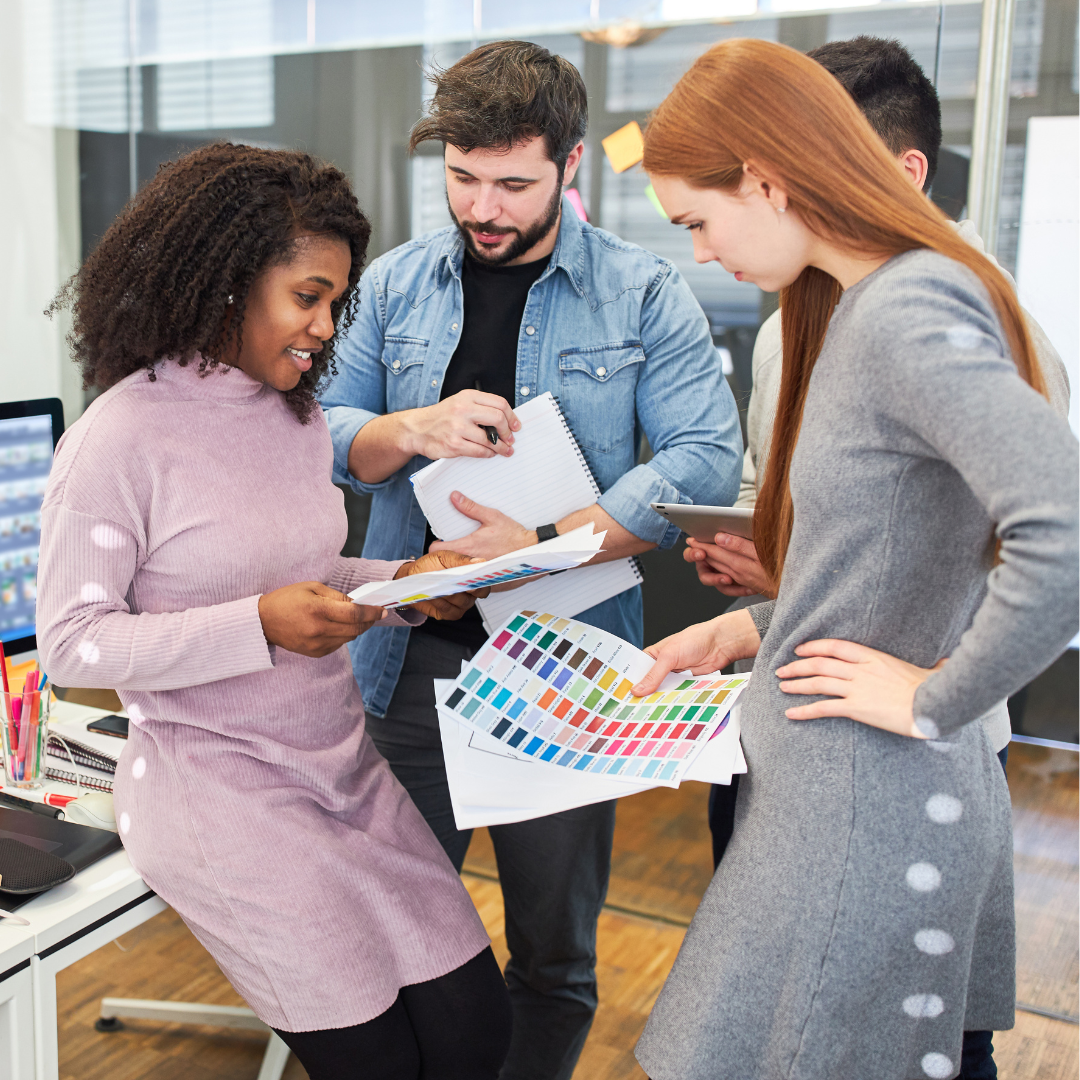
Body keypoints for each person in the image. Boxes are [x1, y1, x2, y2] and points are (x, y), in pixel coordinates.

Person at [632, 37, 1078, 1080]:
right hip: (831, 796)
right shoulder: (856, 304)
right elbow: (896, 552)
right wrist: (749, 626)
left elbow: (1061, 526)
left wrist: (937, 697)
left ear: (767, 179)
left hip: (865, 805)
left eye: (697, 220)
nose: (698, 252)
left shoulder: (907, 308)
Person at [37, 143, 512, 1080]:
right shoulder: (119, 438)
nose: (325, 325)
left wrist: (407, 582)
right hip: (221, 797)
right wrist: (257, 623)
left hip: (344, 776)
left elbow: (304, 572)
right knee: (380, 1063)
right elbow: (72, 644)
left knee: (475, 1033)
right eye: (308, 296)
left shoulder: (293, 418)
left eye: (336, 299)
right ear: (223, 283)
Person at [321, 41, 743, 1080]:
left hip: (564, 664)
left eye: (513, 182)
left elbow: (705, 456)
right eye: (463, 178)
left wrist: (548, 547)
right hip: (407, 662)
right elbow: (327, 426)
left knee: (552, 955)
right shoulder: (395, 285)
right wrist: (411, 426)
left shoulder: (642, 294)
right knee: (385, 939)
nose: (484, 207)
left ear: (570, 166)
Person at [698, 36, 1072, 879]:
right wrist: (765, 580)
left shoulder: (980, 329)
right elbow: (794, 498)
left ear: (902, 174)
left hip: (905, 747)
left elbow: (1024, 553)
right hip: (790, 707)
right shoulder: (787, 328)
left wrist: (936, 695)